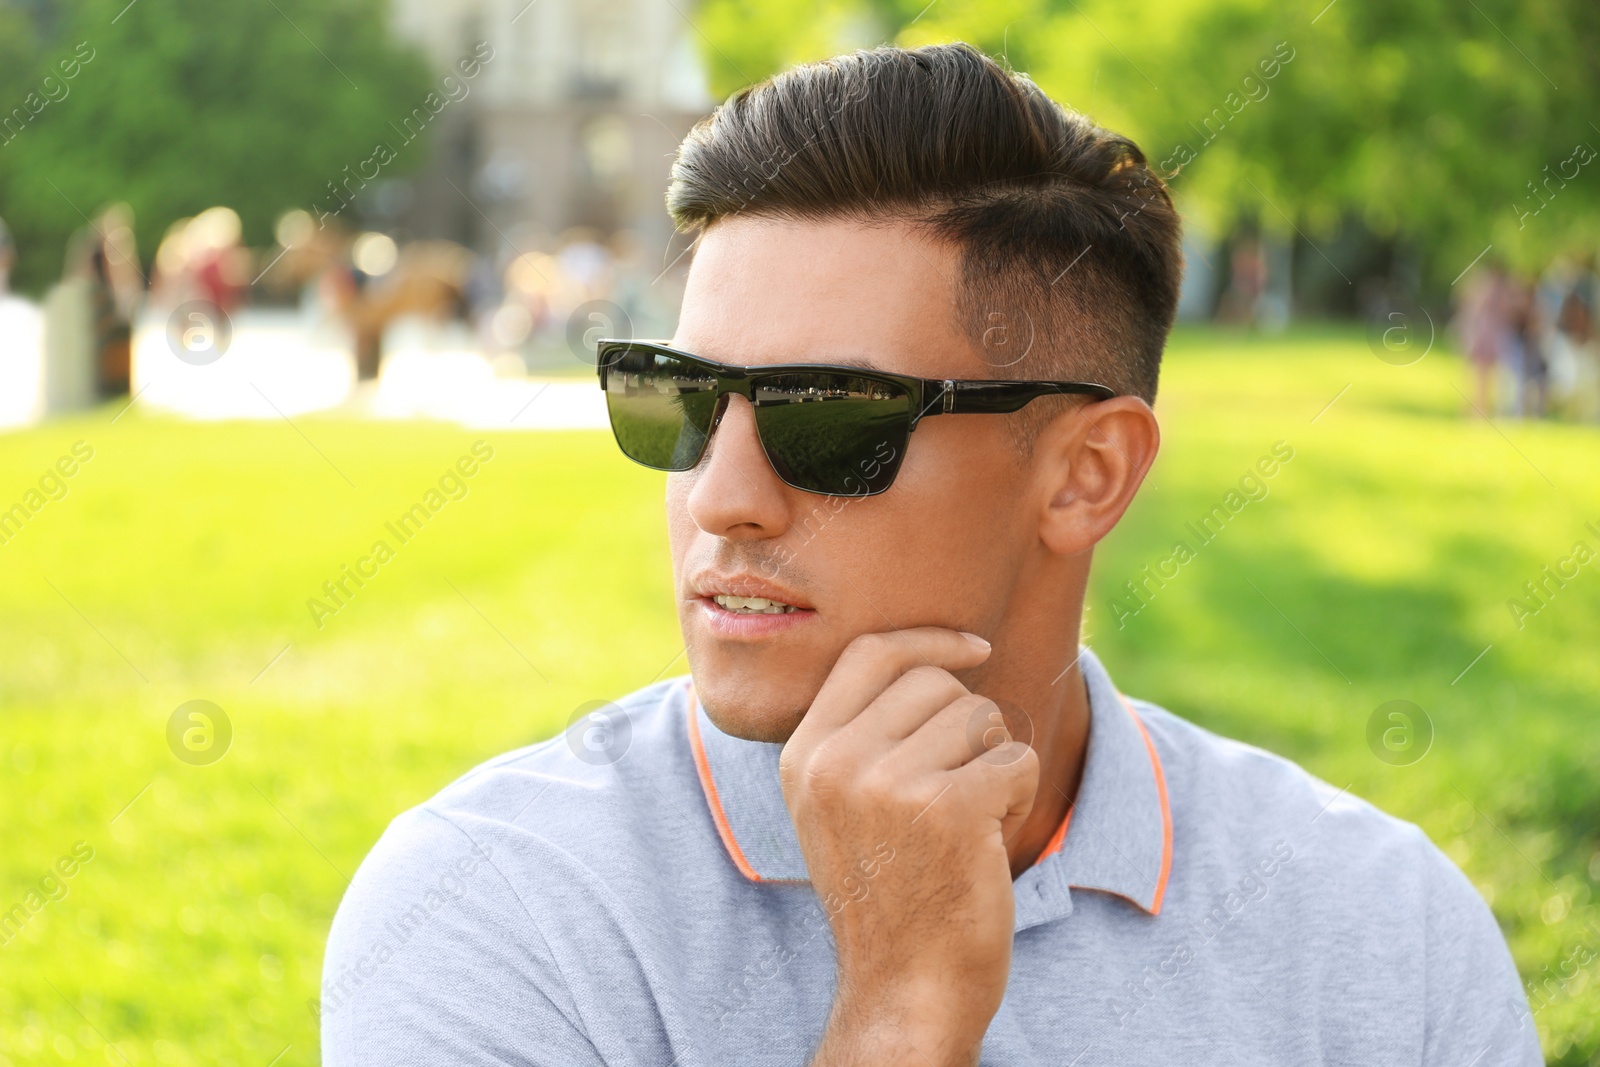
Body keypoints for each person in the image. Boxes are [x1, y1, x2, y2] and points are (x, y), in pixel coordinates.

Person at [322, 43, 1540, 1066]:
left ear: (1086, 474)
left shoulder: (1385, 930)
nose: (721, 496)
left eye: (830, 413)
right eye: (678, 399)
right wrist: (899, 1014)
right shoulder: (495, 901)